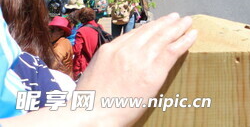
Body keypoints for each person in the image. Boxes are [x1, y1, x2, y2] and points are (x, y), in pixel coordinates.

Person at [1, 11, 197, 123]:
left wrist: (89, 111)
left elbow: (79, 55)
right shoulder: (97, 29)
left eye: (53, 29)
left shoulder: (77, 36)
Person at [70, 8, 103, 79]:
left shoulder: (81, 31)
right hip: (98, 62)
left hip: (85, 65)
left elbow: (76, 50)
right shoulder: (99, 27)